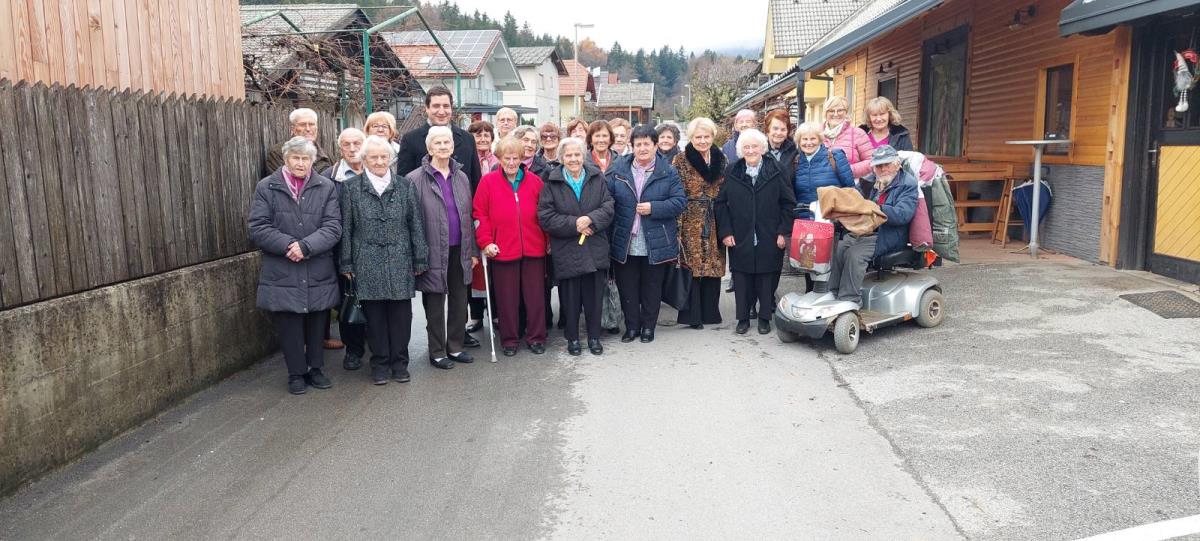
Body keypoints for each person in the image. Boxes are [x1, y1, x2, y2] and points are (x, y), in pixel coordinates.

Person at [249, 136, 342, 395]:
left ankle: (316, 369)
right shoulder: (267, 187)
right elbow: (258, 226)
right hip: (283, 266)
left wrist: (306, 246)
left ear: (312, 161)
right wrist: (289, 245)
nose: (301, 163)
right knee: (289, 322)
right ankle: (296, 373)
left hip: (317, 264)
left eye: (305, 159)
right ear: (286, 159)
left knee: (317, 319)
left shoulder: (325, 186)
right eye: (296, 158)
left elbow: (333, 226)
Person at [340, 136, 429, 385]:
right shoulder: (351, 188)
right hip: (366, 260)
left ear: (391, 159)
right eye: (374, 157)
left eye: (384, 157)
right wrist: (346, 263)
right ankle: (379, 364)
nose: (379, 161)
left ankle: (400, 363)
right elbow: (346, 228)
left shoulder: (405, 186)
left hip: (400, 258)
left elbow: (415, 224)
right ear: (364, 160)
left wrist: (420, 258)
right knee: (375, 317)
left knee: (401, 316)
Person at [408, 126, 480, 369]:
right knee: (435, 304)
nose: (442, 146)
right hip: (432, 250)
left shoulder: (462, 177)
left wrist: (473, 251)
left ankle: (456, 347)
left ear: (452, 146)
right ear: (429, 148)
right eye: (437, 143)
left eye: (446, 142)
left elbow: (468, 216)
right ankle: (437, 351)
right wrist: (418, 255)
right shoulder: (415, 179)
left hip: (460, 248)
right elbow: (412, 221)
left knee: (459, 300)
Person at [607, 125, 686, 343]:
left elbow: (679, 202)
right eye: (638, 144)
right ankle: (632, 327)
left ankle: (648, 328)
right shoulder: (618, 170)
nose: (642, 148)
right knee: (627, 287)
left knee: (652, 286)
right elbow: (607, 199)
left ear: (655, 146)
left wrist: (654, 207)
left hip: (655, 238)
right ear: (632, 146)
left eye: (647, 144)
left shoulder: (667, 171)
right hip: (625, 239)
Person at [537, 137, 614, 356]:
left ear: (584, 156)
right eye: (568, 155)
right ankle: (572, 338)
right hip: (567, 247)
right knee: (570, 298)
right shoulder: (551, 181)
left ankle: (594, 337)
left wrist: (590, 220)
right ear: (561, 158)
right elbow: (546, 216)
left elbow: (608, 206)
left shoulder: (596, 177)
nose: (573, 159)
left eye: (577, 154)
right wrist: (575, 224)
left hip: (594, 245)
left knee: (594, 297)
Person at [716, 129, 796, 335]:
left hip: (770, 232)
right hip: (740, 232)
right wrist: (726, 232)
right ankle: (743, 318)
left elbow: (788, 203)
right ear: (740, 150)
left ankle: (764, 318)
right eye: (746, 147)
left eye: (754, 146)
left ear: (762, 148)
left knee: (767, 276)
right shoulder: (732, 170)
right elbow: (721, 203)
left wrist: (783, 232)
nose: (751, 150)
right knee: (741, 276)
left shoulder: (777, 169)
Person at [474, 136, 549, 356]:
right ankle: (509, 340)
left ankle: (536, 337)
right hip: (502, 249)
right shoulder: (488, 182)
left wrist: (548, 241)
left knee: (535, 297)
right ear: (499, 158)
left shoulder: (535, 181)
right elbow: (480, 214)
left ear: (522, 158)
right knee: (507, 299)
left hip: (534, 248)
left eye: (516, 158)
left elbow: (545, 213)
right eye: (507, 158)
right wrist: (486, 242)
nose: (511, 162)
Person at [828, 145, 917, 305]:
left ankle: (850, 300)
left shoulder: (907, 184)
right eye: (878, 165)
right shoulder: (868, 180)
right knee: (839, 248)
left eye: (886, 164)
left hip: (888, 234)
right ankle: (833, 293)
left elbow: (904, 214)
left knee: (855, 255)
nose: (882, 169)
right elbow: (854, 200)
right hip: (864, 230)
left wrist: (876, 208)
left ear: (897, 164)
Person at [672, 117, 727, 329]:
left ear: (713, 137)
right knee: (691, 265)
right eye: (698, 137)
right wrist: (677, 226)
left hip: (715, 217)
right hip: (689, 218)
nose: (702, 141)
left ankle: (710, 312)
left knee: (714, 264)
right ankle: (692, 316)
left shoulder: (721, 158)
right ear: (691, 138)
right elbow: (676, 192)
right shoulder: (680, 160)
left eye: (706, 136)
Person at [320, 128, 369, 368]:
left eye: (357, 143)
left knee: (374, 300)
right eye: (346, 144)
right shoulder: (328, 178)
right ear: (339, 149)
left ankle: (376, 344)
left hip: (375, 249)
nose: (352, 148)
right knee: (349, 300)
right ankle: (353, 350)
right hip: (344, 250)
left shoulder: (378, 169)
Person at [396, 87, 483, 191]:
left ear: (451, 108)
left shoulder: (467, 139)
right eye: (436, 106)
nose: (441, 112)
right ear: (427, 108)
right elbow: (403, 184)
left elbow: (476, 182)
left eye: (446, 106)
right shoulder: (410, 140)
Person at [793, 121, 855, 219]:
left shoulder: (835, 157)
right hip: (803, 221)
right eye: (804, 139)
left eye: (813, 138)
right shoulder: (795, 162)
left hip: (832, 220)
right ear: (799, 141)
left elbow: (851, 191)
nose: (808, 143)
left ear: (820, 140)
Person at [265, 108, 334, 175]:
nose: (308, 129)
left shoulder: (326, 155)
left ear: (316, 128)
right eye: (302, 125)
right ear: (293, 129)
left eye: (311, 124)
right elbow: (281, 179)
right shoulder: (279, 152)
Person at [821, 96, 874, 179]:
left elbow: (872, 161)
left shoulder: (858, 133)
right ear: (825, 113)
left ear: (846, 112)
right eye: (831, 111)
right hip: (820, 184)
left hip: (849, 184)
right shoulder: (816, 133)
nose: (836, 114)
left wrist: (848, 170)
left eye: (840, 110)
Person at [764, 109, 799, 183]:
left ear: (787, 132)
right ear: (768, 130)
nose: (779, 133)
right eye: (775, 128)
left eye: (783, 130)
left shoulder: (794, 151)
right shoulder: (759, 151)